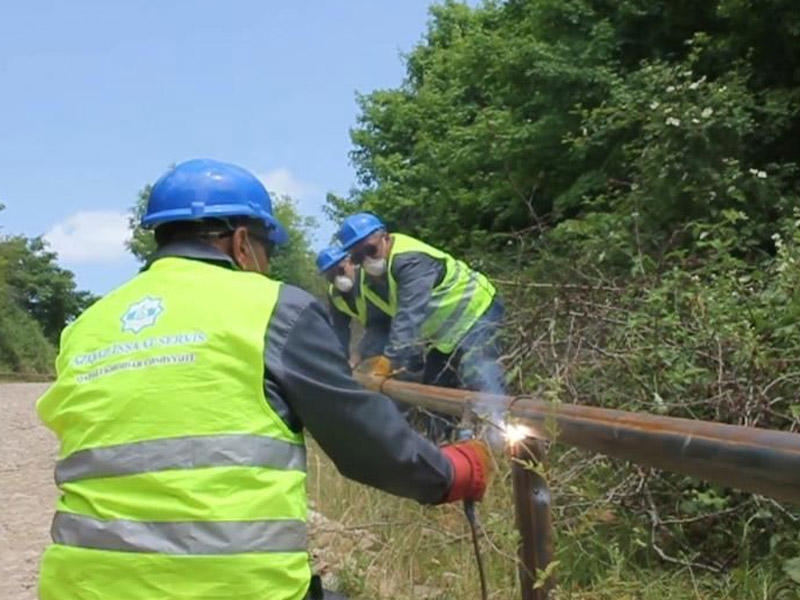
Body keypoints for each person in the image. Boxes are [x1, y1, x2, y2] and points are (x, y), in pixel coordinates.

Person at [35, 159, 493, 600]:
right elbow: (362, 441)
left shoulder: (86, 325)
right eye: (266, 249)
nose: (266, 263)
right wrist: (449, 472)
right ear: (240, 243)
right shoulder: (272, 306)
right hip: (232, 588)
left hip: (79, 587)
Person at [336, 212, 506, 401]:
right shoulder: (368, 284)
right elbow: (380, 324)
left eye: (370, 250)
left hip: (476, 313)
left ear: (385, 236)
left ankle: (501, 424)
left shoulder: (410, 259)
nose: (367, 260)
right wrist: (364, 355)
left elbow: (409, 315)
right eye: (359, 257)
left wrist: (389, 361)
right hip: (444, 336)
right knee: (436, 391)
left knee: (481, 376)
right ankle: (445, 431)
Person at [315, 246, 390, 367]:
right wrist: (340, 360)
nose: (338, 278)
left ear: (350, 263)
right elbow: (340, 330)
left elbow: (380, 323)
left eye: (340, 271)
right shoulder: (334, 294)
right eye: (331, 275)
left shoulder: (370, 279)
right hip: (378, 331)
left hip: (396, 326)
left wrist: (358, 354)